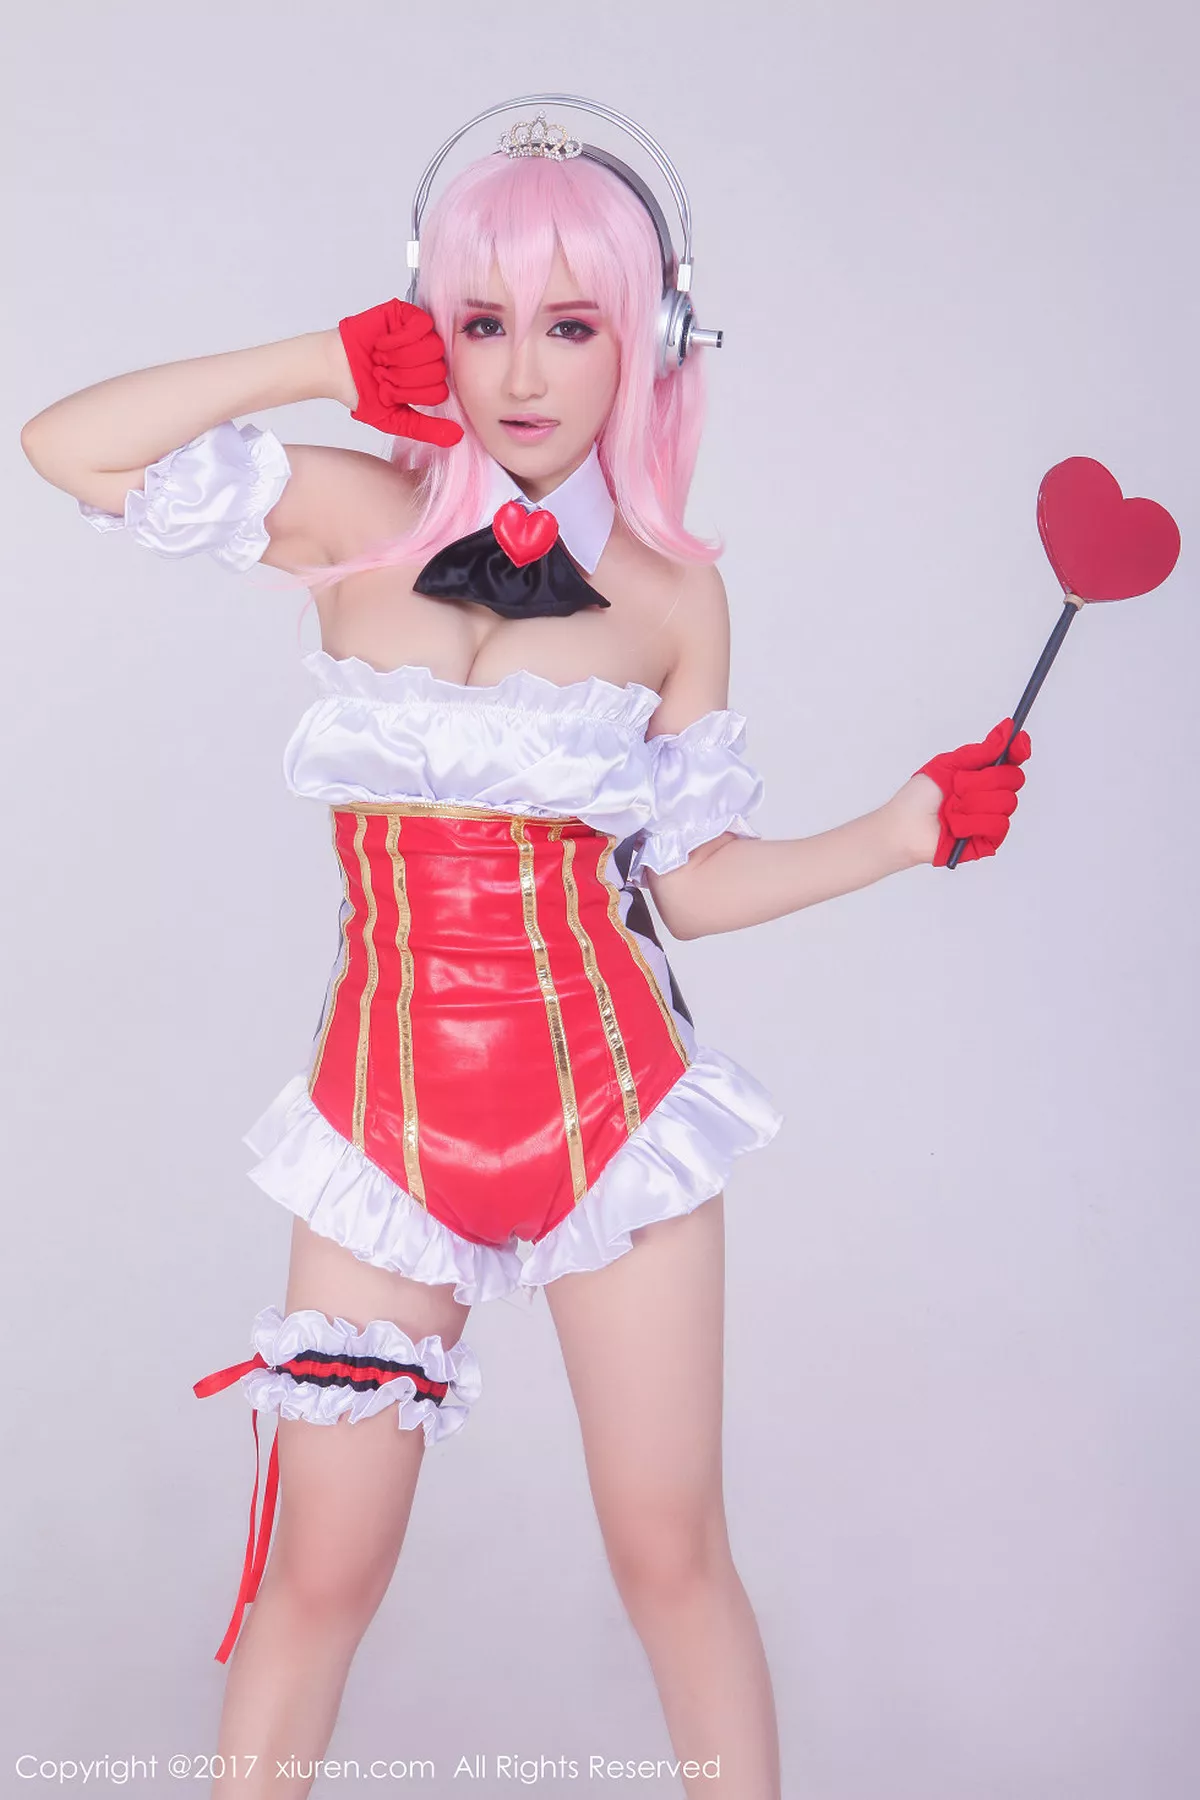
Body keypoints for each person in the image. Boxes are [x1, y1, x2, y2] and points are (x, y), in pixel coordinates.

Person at [19, 114, 1030, 1800]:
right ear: (428, 327)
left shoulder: (676, 596)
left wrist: (899, 832)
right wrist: (318, 360)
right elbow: (65, 444)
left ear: (651, 338)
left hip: (617, 1123)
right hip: (379, 1136)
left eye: (573, 324)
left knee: (673, 1560)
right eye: (481, 321)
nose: (523, 370)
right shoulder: (350, 513)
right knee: (317, 1579)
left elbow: (686, 891)